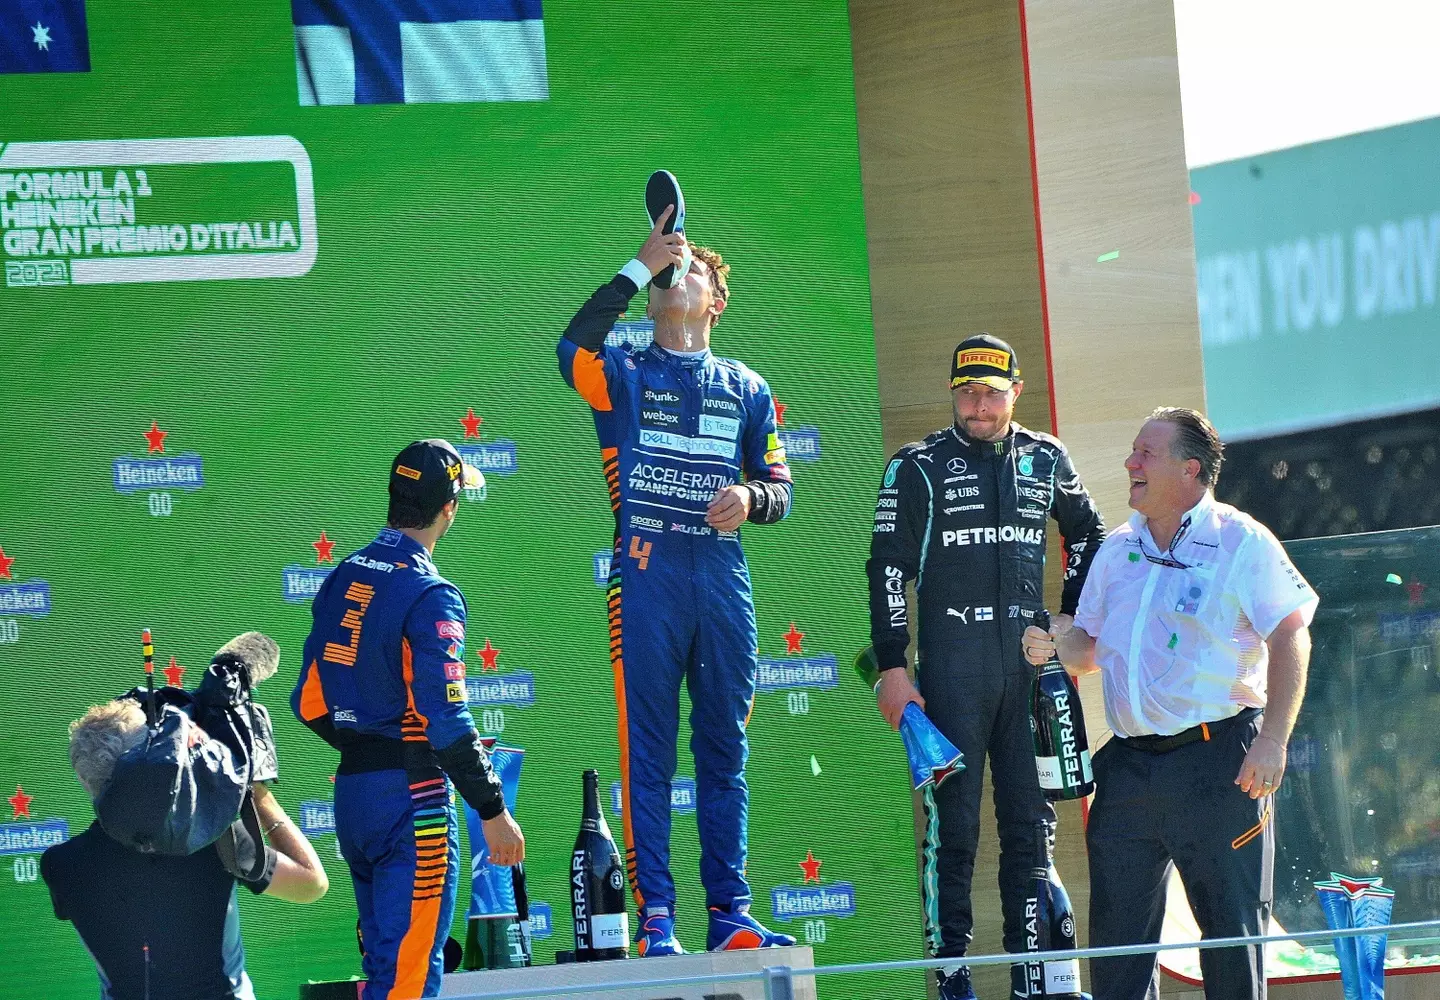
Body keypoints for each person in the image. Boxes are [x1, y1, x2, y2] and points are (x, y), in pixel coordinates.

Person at [556, 206, 795, 956]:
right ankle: (657, 915)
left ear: (716, 302)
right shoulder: (623, 372)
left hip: (723, 582)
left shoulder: (749, 387)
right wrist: (638, 263)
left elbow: (780, 487)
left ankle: (729, 912)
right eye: (664, 272)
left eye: (685, 268)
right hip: (647, 577)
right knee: (649, 755)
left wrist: (752, 498)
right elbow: (570, 350)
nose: (672, 275)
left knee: (725, 751)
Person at [1023, 407, 1317, 1000]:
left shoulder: (1242, 539)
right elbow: (1089, 653)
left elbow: (1292, 635)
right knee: (1117, 952)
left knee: (1230, 943)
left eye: (1145, 454)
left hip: (1221, 762)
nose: (1130, 463)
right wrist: (1054, 640)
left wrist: (1274, 740)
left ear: (1191, 470)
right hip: (1129, 768)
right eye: (1132, 451)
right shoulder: (1117, 548)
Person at [866, 334, 1106, 1000]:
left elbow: (1090, 532)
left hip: (1029, 677)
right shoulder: (916, 467)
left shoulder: (1046, 457)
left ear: (1016, 393)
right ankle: (951, 976)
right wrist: (892, 664)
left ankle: (1034, 975)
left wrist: (1069, 621)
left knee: (1032, 825)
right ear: (952, 394)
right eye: (967, 393)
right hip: (951, 673)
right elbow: (886, 568)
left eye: (992, 394)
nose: (979, 406)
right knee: (956, 825)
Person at [291, 439, 525, 1000]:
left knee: (386, 974)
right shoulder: (431, 594)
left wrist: (369, 739)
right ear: (450, 508)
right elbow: (445, 718)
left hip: (354, 799)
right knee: (410, 980)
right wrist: (493, 809)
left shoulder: (343, 574)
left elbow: (309, 703)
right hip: (412, 803)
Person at [42, 698, 328, 1000]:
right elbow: (311, 884)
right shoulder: (214, 835)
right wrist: (255, 792)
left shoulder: (61, 864)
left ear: (82, 777)